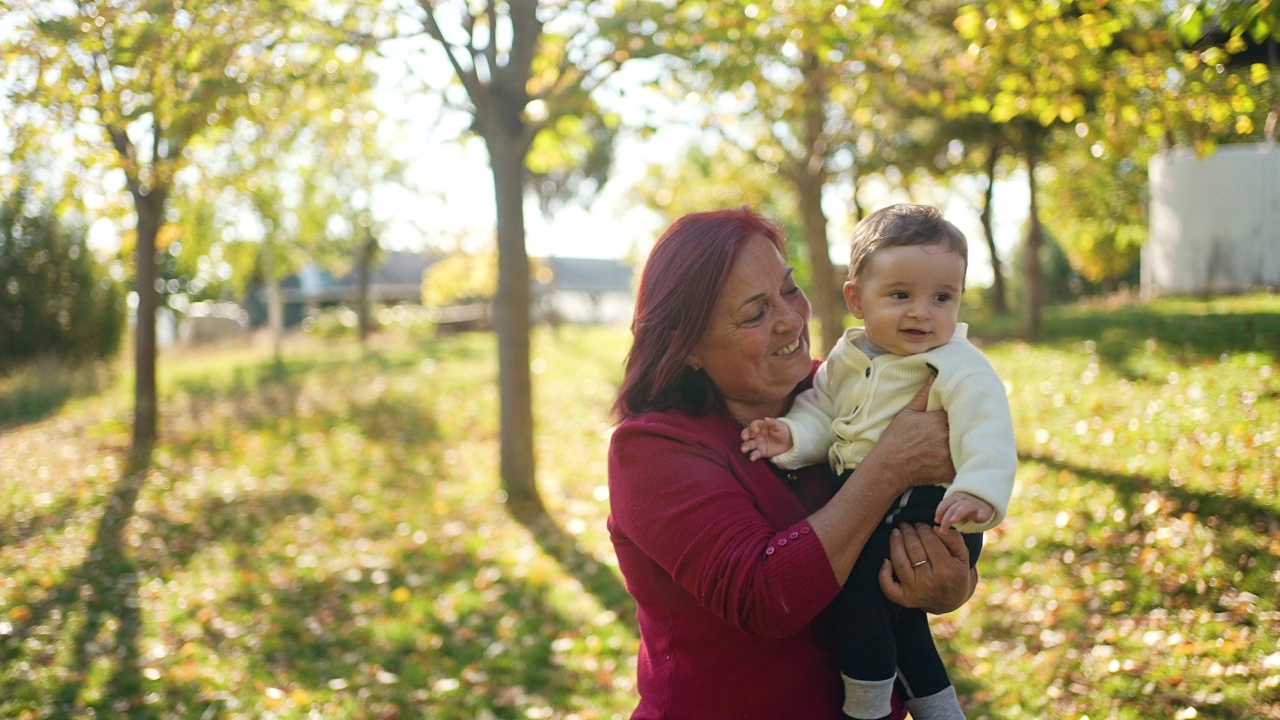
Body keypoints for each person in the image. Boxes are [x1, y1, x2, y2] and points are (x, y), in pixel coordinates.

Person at [607, 207, 978, 720]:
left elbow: (928, 509)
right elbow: (764, 597)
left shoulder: (844, 390)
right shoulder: (652, 450)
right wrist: (888, 467)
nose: (790, 319)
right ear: (687, 346)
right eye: (754, 313)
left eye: (788, 288)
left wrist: (951, 580)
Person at [739, 203, 1017, 720]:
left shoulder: (956, 363)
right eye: (900, 295)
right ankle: (940, 708)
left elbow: (989, 429)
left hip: (937, 506)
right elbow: (822, 413)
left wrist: (978, 490)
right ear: (856, 299)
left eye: (942, 297)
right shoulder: (845, 359)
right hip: (875, 497)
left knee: (862, 593)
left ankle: (865, 706)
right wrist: (791, 436)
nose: (921, 312)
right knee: (901, 616)